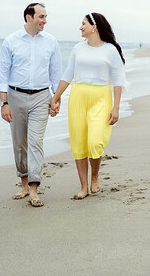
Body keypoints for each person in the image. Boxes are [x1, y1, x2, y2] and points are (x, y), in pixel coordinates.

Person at [50, 12, 126, 200]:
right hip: (78, 97)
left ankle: (95, 177)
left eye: (83, 24)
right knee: (78, 142)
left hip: (101, 97)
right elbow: (68, 74)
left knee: (95, 141)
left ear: (94, 27)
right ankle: (83, 186)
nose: (80, 27)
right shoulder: (78, 49)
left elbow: (118, 80)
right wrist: (56, 97)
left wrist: (116, 107)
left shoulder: (110, 50)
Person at [0, 3, 62, 208]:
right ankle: (24, 183)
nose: (44, 20)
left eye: (45, 17)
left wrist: (56, 98)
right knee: (19, 143)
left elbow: (55, 73)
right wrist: (4, 103)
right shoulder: (11, 41)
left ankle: (34, 187)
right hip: (15, 96)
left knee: (35, 141)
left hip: (42, 97)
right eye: (41, 16)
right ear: (29, 17)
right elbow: (2, 75)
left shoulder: (51, 42)